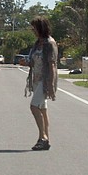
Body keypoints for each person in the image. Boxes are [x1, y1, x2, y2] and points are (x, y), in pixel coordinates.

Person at [25, 16, 58, 150]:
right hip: (36, 79)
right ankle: (46, 138)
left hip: (45, 80)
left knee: (34, 107)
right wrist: (27, 63)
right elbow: (34, 61)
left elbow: (52, 64)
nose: (33, 30)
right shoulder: (38, 43)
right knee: (43, 109)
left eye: (35, 28)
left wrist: (50, 84)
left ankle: (42, 137)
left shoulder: (50, 43)